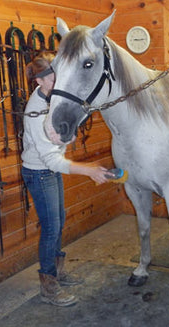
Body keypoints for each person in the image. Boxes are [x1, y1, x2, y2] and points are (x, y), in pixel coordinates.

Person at [22, 52, 111, 307]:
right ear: (39, 81)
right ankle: (48, 284)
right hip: (39, 172)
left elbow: (65, 137)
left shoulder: (54, 100)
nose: (59, 81)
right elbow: (52, 161)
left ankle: (58, 271)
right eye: (53, 77)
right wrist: (88, 170)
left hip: (49, 170)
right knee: (51, 227)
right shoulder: (36, 111)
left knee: (58, 221)